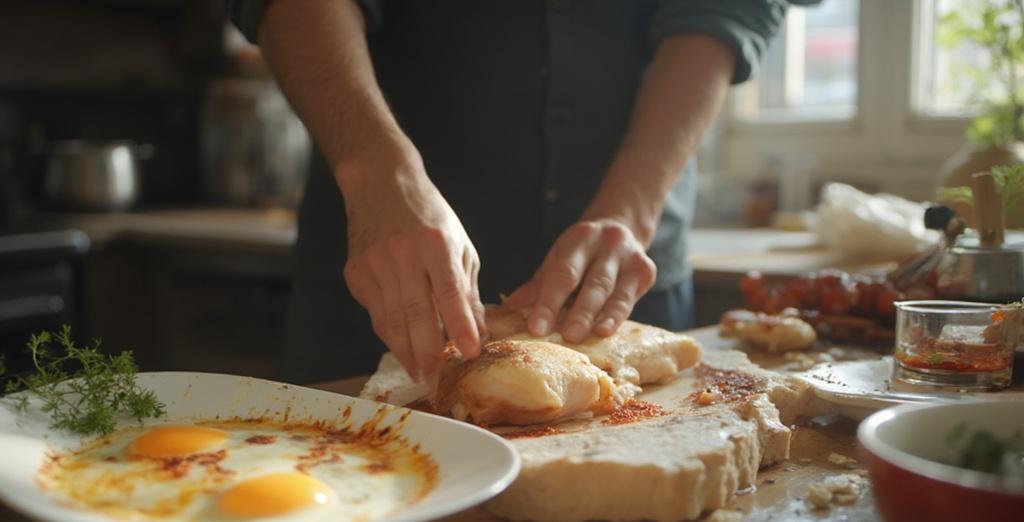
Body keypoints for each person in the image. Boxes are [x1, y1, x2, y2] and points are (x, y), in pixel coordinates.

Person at [227, 0, 799, 384]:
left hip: (624, 288)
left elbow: (725, 10)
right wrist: (376, 169)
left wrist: (631, 208)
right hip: (383, 284)